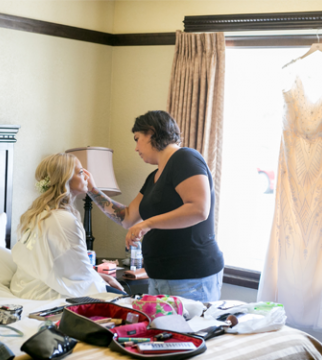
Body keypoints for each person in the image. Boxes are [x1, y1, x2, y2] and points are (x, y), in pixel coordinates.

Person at [85, 110, 225, 302]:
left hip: (190, 276)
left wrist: (147, 224)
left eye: (137, 139)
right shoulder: (153, 177)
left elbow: (198, 209)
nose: (136, 148)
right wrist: (92, 189)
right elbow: (127, 217)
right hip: (159, 276)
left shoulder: (186, 159)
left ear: (151, 132)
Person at [10, 153, 125, 300]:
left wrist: (98, 275)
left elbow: (67, 264)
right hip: (46, 292)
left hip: (26, 287)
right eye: (81, 172)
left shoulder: (40, 214)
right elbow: (79, 270)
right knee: (124, 300)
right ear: (65, 179)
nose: (87, 177)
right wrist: (100, 282)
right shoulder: (63, 219)